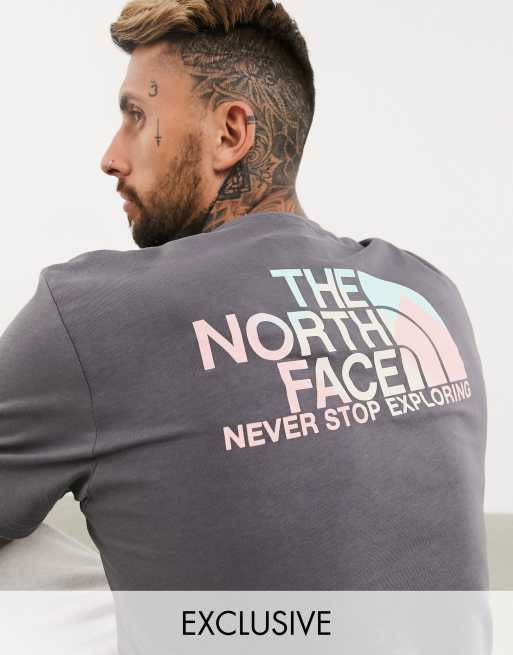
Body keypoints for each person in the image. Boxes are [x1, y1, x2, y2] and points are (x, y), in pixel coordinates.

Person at [0, 0, 489, 592]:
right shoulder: (428, 294)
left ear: (230, 134)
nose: (112, 157)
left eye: (137, 116)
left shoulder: (90, 316)